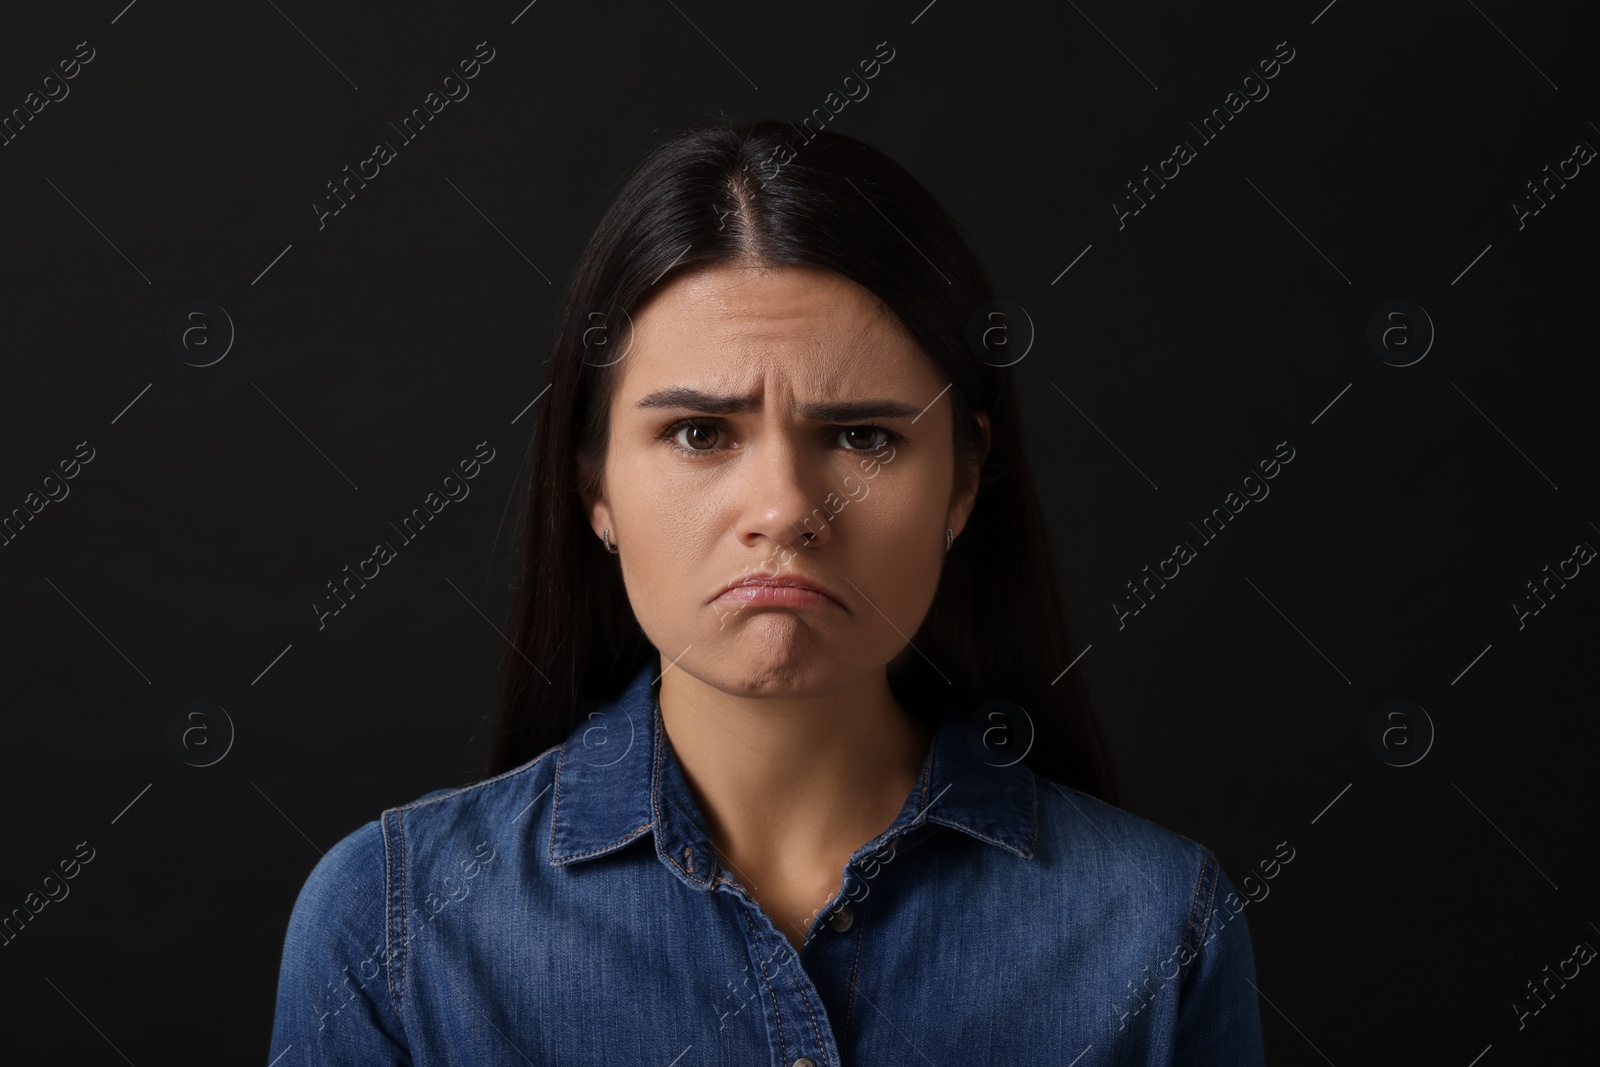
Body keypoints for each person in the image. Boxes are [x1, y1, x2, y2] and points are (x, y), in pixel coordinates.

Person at [268, 116, 1268, 1065]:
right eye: (700, 433)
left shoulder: (1154, 924)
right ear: (592, 484)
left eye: (863, 436)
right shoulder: (394, 926)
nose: (785, 509)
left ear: (962, 479)